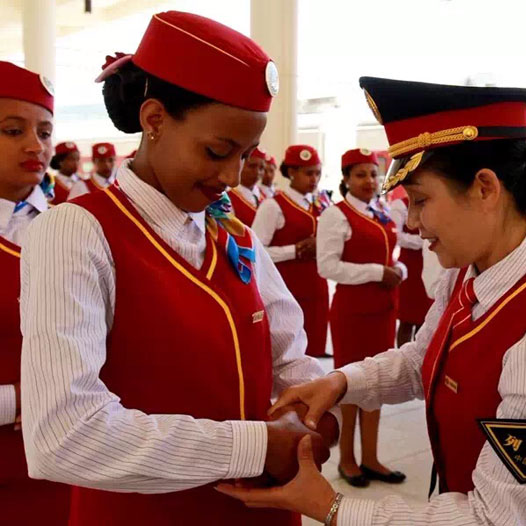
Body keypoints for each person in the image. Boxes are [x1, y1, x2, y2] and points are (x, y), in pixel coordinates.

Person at [217, 76, 526, 526]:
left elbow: (492, 519)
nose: (416, 224)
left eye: (421, 200)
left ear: (485, 188)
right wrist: (341, 383)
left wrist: (332, 506)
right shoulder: (472, 266)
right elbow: (424, 359)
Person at [18, 12, 338, 525]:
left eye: (248, 155)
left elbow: (290, 359)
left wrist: (312, 411)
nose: (232, 176)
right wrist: (256, 446)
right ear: (154, 120)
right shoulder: (77, 232)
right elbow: (64, 434)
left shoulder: (233, 233)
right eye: (217, 151)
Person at [0, 59, 71, 525]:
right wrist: (19, 399)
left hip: (75, 460)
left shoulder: (78, 221)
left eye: (44, 132)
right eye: (12, 130)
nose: (36, 146)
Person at [316, 146, 407, 488]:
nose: (369, 181)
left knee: (378, 385)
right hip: (353, 314)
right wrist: (376, 272)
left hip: (383, 312)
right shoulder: (335, 215)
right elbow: (327, 266)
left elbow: (391, 254)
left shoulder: (379, 211)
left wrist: (397, 269)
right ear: (345, 179)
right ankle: (347, 460)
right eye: (361, 175)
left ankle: (371, 457)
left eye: (373, 173)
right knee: (353, 386)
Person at [252, 144, 330, 358]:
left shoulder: (321, 204)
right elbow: (256, 250)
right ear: (292, 172)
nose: (314, 179)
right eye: (308, 173)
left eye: (317, 173)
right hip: (286, 285)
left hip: (316, 286)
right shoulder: (273, 206)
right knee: (288, 351)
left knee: (314, 347)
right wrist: (294, 251)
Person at [390, 185, 434, 347]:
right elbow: (397, 236)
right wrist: (422, 241)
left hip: (427, 262)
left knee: (424, 316)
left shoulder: (431, 202)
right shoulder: (399, 205)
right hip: (410, 263)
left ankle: (419, 354)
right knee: (407, 318)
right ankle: (401, 351)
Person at [227, 146, 265, 225]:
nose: (257, 172)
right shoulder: (229, 197)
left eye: (261, 168)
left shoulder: (264, 196)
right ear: (241, 165)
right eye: (252, 166)